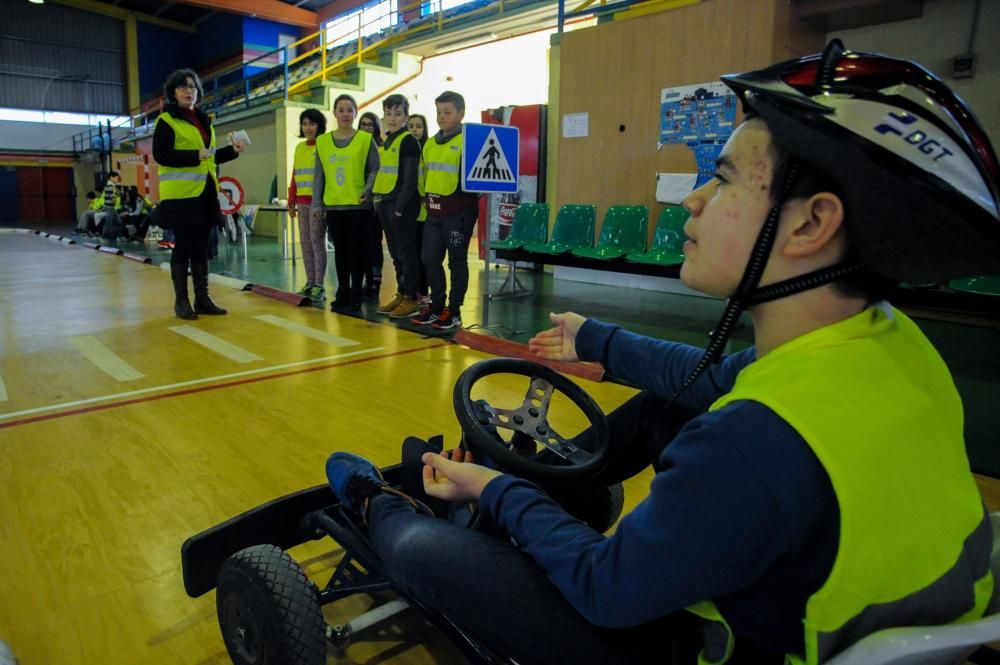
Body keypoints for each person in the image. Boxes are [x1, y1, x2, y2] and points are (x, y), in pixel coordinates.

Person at [325, 41, 1000, 665]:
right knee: (664, 407)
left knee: (417, 550)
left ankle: (376, 501)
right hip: (824, 602)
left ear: (811, 223)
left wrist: (497, 487)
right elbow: (704, 379)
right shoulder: (885, 342)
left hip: (701, 646)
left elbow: (604, 586)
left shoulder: (749, 445)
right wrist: (597, 341)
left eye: (726, 179)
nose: (696, 200)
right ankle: (549, 488)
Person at [153, 68, 243, 320]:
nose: (188, 90)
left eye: (192, 86)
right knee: (183, 246)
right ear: (173, 92)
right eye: (182, 86)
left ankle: (202, 298)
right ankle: (181, 302)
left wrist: (233, 151)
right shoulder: (167, 121)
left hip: (205, 194)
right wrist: (195, 155)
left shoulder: (204, 121)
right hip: (181, 196)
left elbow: (210, 157)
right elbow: (161, 155)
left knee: (202, 247)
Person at [410, 91, 480, 330]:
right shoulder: (429, 143)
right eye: (439, 112)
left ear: (461, 113)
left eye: (447, 112)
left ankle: (455, 311)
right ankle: (436, 306)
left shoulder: (470, 142)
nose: (441, 117)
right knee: (428, 258)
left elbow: (480, 178)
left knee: (457, 262)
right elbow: (423, 174)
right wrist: (424, 198)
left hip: (459, 212)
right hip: (433, 212)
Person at [309, 94, 380, 312]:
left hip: (358, 207)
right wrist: (317, 203)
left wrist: (368, 191)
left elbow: (375, 168)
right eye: (341, 109)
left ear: (355, 112)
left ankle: (356, 293)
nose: (346, 114)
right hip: (334, 206)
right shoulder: (323, 142)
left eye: (350, 109)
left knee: (357, 252)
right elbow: (319, 175)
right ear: (335, 113)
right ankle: (343, 291)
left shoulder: (365, 140)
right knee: (341, 252)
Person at [372, 94, 423, 319]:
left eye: (398, 113)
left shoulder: (408, 141)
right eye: (389, 113)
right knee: (396, 254)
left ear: (405, 115)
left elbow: (410, 180)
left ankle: (411, 298)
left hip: (401, 206)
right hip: (386, 203)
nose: (392, 118)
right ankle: (402, 294)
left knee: (407, 253)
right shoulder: (388, 141)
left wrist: (399, 208)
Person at [287, 108, 328, 303]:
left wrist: (320, 203)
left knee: (316, 242)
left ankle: (319, 286)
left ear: (319, 126)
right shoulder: (299, 148)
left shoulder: (324, 145)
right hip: (301, 203)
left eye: (311, 123)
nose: (308, 127)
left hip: (317, 204)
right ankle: (310, 282)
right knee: (305, 243)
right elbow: (295, 176)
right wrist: (291, 201)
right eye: (304, 123)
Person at [359, 111, 386, 302]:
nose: (367, 128)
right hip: (359, 204)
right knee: (361, 246)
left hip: (377, 205)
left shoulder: (383, 149)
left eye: (370, 124)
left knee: (374, 245)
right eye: (363, 124)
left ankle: (375, 283)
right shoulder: (356, 147)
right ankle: (365, 282)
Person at [407, 113, 431, 304]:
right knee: (410, 255)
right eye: (411, 126)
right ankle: (410, 291)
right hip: (408, 213)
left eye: (418, 126)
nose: (414, 129)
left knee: (425, 256)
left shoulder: (429, 150)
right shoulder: (405, 151)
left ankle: (424, 291)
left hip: (426, 214)